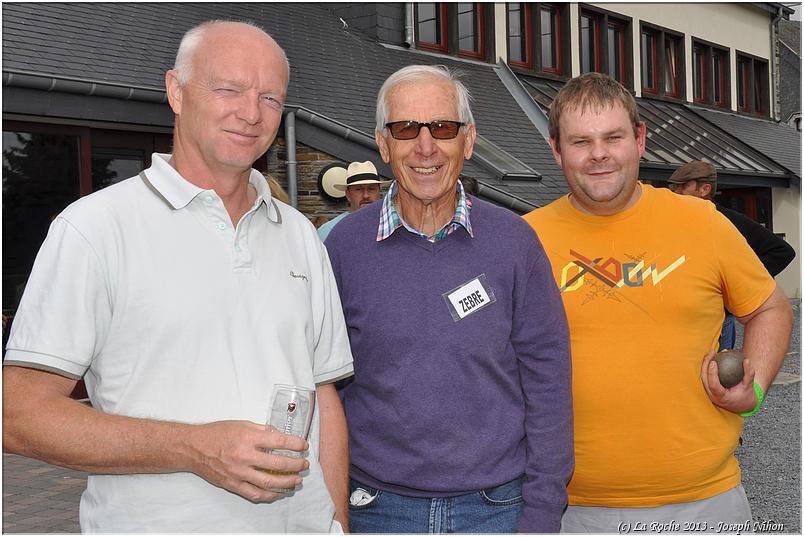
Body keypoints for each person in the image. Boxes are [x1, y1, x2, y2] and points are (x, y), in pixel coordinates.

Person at [2, 20, 353, 533]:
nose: (251, 113)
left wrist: (336, 522)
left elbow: (324, 396)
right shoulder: (95, 228)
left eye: (270, 98)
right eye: (229, 89)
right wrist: (194, 448)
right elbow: (19, 415)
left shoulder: (299, 233)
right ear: (176, 91)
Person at [523, 72, 793, 532]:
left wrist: (756, 389)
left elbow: (770, 308)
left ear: (640, 139)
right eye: (581, 141)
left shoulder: (701, 222)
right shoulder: (525, 238)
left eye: (613, 137)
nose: (599, 153)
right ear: (556, 150)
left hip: (703, 504)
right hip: (567, 509)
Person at [325, 64, 573, 533]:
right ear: (382, 144)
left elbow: (548, 381)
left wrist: (542, 513)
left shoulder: (515, 242)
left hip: (498, 509)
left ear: (469, 140)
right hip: (377, 510)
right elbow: (323, 388)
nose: (426, 146)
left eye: (442, 127)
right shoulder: (343, 247)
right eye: (405, 129)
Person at [667, 160, 796, 350]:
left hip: (718, 321)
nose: (676, 191)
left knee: (716, 368)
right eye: (675, 186)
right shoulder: (675, 220)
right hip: (681, 319)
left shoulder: (727, 220)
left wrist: (739, 283)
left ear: (705, 189)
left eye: (683, 186)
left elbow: (782, 252)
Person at [316, 160, 386, 241]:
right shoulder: (327, 232)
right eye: (358, 189)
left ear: (379, 193)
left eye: (371, 189)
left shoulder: (391, 226)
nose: (366, 195)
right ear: (348, 194)